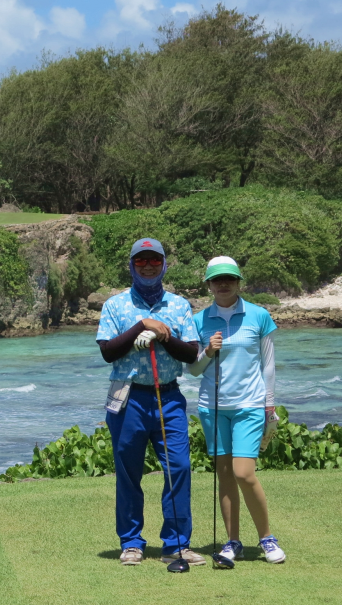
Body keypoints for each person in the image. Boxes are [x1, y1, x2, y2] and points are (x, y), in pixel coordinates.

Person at [96, 238, 204, 568]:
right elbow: (108, 352)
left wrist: (163, 334)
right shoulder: (115, 306)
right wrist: (141, 326)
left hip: (168, 394)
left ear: (163, 264)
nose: (147, 266)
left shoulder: (179, 305)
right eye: (140, 261)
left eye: (154, 261)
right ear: (131, 265)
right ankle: (131, 542)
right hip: (126, 395)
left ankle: (176, 544)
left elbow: (192, 354)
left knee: (179, 468)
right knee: (129, 473)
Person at [187, 256, 286, 566]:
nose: (224, 284)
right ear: (209, 285)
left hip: (249, 405)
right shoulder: (199, 321)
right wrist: (207, 351)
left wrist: (269, 405)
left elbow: (268, 365)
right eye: (217, 280)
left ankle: (267, 538)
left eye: (229, 278)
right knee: (226, 475)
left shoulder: (259, 316)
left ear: (239, 281)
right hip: (213, 407)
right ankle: (232, 542)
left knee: (244, 473)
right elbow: (192, 369)